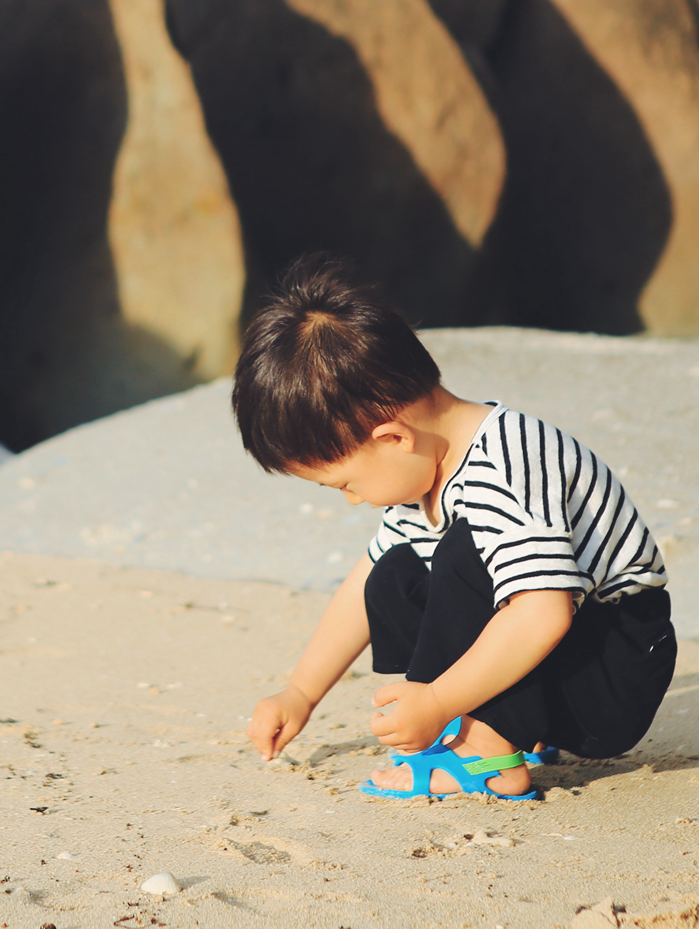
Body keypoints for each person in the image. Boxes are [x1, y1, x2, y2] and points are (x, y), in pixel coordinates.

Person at [235, 255, 676, 800]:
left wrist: (439, 699)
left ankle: (489, 751)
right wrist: (299, 691)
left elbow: (544, 610)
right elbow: (362, 586)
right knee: (392, 571)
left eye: (345, 483)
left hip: (612, 666)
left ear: (393, 438)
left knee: (462, 552)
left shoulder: (507, 461)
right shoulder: (423, 471)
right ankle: (478, 726)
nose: (352, 501)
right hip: (552, 661)